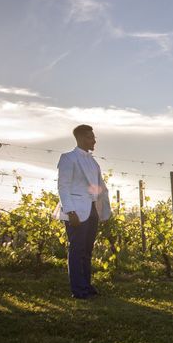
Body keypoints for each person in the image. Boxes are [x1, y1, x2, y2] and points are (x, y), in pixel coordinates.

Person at [55, 124, 111, 299]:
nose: (94, 140)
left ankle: (86, 284)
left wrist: (103, 209)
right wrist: (71, 211)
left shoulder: (93, 162)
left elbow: (99, 188)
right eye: (90, 137)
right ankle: (78, 289)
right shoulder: (68, 158)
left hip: (92, 209)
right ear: (80, 138)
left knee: (88, 250)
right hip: (77, 211)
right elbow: (63, 186)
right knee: (77, 249)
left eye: (93, 137)